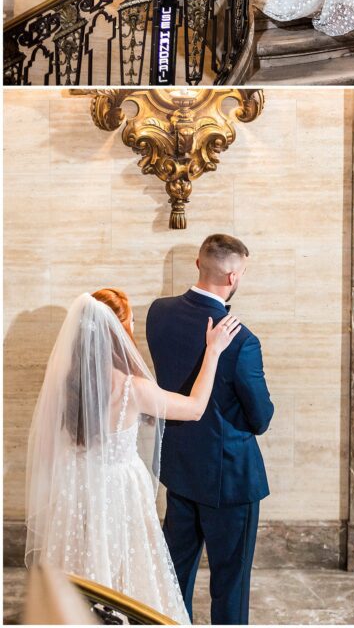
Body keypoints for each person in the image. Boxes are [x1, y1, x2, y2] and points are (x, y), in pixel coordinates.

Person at [25, 288, 241, 624]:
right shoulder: (132, 388)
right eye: (130, 321)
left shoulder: (66, 384)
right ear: (118, 333)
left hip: (76, 488)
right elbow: (196, 408)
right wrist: (212, 352)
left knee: (81, 575)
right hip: (119, 492)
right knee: (125, 578)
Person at [146, 234, 274, 626]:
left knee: (176, 573)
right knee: (230, 582)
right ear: (233, 275)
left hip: (180, 467)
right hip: (229, 478)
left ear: (198, 264)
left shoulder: (158, 313)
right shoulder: (241, 340)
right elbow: (261, 418)